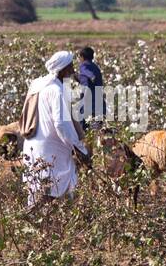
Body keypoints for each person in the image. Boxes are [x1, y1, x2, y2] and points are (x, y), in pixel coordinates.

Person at [21, 51, 90, 209]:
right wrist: (79, 148)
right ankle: (29, 218)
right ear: (64, 70)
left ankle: (47, 226)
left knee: (43, 189)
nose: (73, 71)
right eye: (71, 67)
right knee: (49, 191)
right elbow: (61, 124)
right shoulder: (56, 91)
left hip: (35, 147)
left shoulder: (41, 86)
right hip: (50, 150)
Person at [75, 45, 105, 131]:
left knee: (83, 128)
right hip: (99, 102)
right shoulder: (96, 67)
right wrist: (77, 78)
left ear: (82, 57)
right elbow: (86, 79)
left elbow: (87, 73)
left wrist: (91, 76)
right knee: (97, 129)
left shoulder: (84, 65)